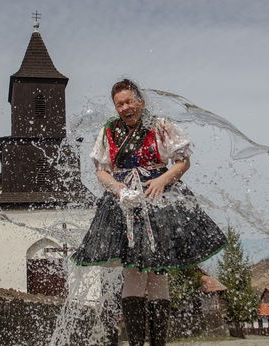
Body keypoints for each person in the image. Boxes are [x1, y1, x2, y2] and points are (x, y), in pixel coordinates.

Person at [72, 79, 227, 346]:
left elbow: (183, 161)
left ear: (141, 102)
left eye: (130, 101)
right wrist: (118, 188)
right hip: (124, 205)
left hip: (158, 201)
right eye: (120, 103)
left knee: (157, 274)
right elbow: (100, 170)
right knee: (132, 271)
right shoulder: (108, 130)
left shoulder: (160, 125)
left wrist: (162, 180)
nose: (125, 107)